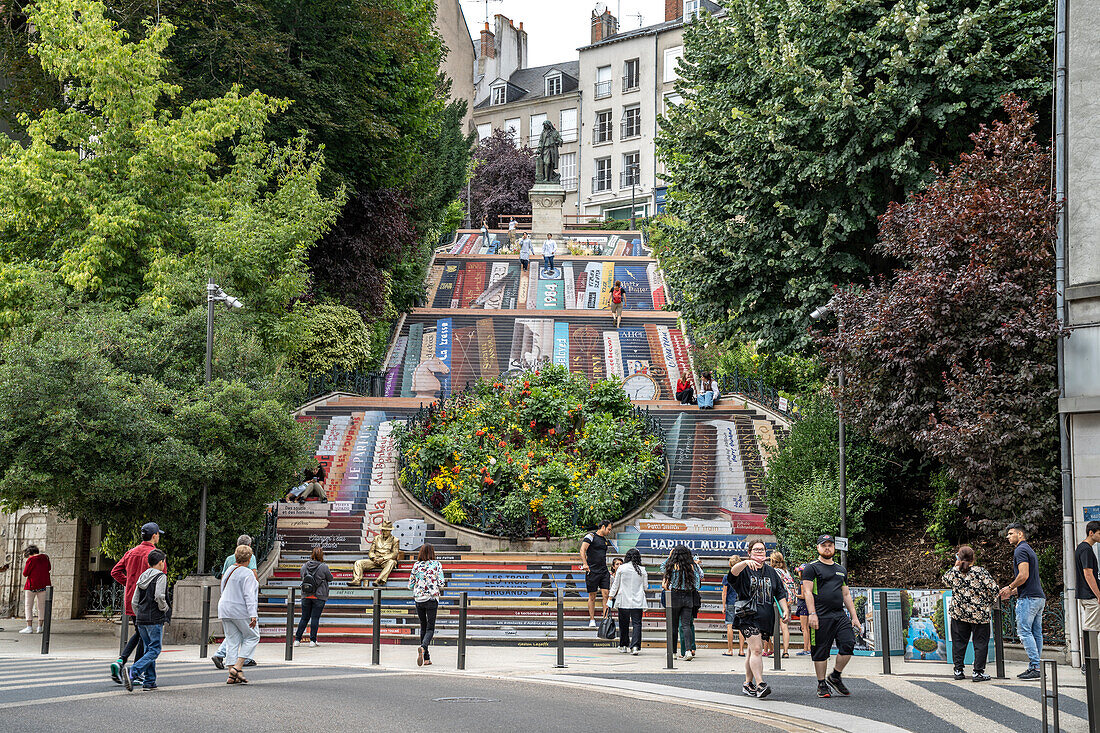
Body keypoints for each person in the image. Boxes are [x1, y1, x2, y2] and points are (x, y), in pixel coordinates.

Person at [801, 534, 862, 698]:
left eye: (830, 545)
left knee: (848, 644)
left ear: (834, 547)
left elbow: (846, 594)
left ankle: (835, 676)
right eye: (824, 545)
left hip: (839, 614)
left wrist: (854, 617)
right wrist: (812, 613)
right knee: (821, 650)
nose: (827, 548)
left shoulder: (841, 570)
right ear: (818, 548)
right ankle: (821, 683)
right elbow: (807, 592)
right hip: (820, 614)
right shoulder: (811, 568)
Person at [729, 541, 790, 699]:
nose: (759, 552)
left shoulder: (771, 571)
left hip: (765, 617)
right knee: (757, 650)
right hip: (748, 616)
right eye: (755, 550)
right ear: (749, 552)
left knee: (751, 651)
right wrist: (743, 563)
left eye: (761, 550)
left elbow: (779, 592)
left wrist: (785, 609)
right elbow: (732, 575)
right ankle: (760, 684)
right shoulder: (744, 570)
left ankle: (747, 683)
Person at [109, 522, 164, 685]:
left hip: (132, 599)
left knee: (140, 633)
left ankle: (122, 662)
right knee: (145, 637)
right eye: (158, 534)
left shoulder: (131, 552)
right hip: (149, 602)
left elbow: (115, 571)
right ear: (154, 536)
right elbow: (161, 578)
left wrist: (129, 583)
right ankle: (135, 670)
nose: (159, 536)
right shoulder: (156, 556)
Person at [942, 545, 999, 682]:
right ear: (974, 558)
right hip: (979, 614)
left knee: (958, 642)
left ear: (958, 557)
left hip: (959, 613)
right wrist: (987, 603)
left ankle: (958, 670)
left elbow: (945, 580)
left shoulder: (954, 572)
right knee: (980, 643)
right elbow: (994, 590)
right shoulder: (981, 572)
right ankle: (978, 672)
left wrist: (957, 564)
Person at [1001, 523, 1045, 679]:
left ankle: (1036, 668)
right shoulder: (1029, 549)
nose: (1008, 536)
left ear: (1020, 534)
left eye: (1011, 533)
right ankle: (1035, 666)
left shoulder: (1020, 550)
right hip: (1038, 597)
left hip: (1028, 599)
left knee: (1024, 632)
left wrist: (1009, 587)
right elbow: (1028, 579)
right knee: (1036, 633)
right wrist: (1013, 592)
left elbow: (1023, 575)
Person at [123, 549, 170, 691]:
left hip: (141, 619)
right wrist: (165, 608)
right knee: (155, 649)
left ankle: (149, 681)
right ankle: (133, 672)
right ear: (161, 562)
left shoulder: (142, 576)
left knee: (148, 650)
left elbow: (134, 601)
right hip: (154, 618)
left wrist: (139, 614)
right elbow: (159, 596)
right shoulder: (161, 576)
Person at [213, 535, 259, 668]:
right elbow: (249, 596)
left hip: (225, 607)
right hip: (239, 609)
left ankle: (231, 671)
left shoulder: (229, 569)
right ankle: (238, 666)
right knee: (252, 636)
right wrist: (253, 615)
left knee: (232, 640)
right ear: (250, 559)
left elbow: (223, 586)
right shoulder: (248, 573)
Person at [661, 545, 703, 660]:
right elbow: (698, 584)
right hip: (688, 596)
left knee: (673, 626)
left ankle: (673, 652)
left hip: (674, 595)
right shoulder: (692, 566)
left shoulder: (672, 566)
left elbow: (661, 568)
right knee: (686, 625)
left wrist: (669, 557)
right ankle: (688, 651)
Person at [408, 542, 446, 666]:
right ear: (432, 552)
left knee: (423, 627)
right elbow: (441, 583)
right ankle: (423, 647)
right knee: (430, 628)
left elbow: (410, 585)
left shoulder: (416, 565)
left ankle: (426, 658)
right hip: (431, 598)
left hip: (419, 599)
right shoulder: (437, 564)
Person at [609, 548, 648, 655]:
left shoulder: (621, 568)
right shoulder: (642, 569)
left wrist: (610, 597)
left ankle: (623, 645)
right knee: (637, 624)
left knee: (623, 624)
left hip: (623, 600)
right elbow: (645, 586)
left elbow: (615, 585)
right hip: (638, 600)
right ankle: (635, 646)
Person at [295, 546, 334, 647]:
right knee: (315, 618)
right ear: (321, 555)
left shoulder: (304, 566)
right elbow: (330, 578)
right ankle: (312, 641)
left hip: (306, 595)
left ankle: (297, 640)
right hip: (319, 596)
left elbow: (302, 578)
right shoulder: (324, 567)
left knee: (304, 618)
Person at [580, 520, 614, 627]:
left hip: (603, 571)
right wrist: (585, 564)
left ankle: (605, 620)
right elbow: (582, 550)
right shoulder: (591, 536)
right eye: (608, 529)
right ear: (603, 527)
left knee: (606, 595)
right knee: (592, 596)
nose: (609, 531)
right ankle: (592, 619)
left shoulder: (604, 540)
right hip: (592, 571)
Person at [1077, 521, 1100, 673]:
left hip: (1088, 596)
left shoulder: (1083, 548)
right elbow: (1088, 574)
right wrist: (1099, 595)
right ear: (1091, 533)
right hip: (1091, 596)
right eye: (1099, 533)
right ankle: (1089, 665)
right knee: (1091, 631)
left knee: (1092, 630)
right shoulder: (1086, 549)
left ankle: (1089, 664)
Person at [349, 521, 401, 587]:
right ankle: (357, 580)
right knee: (358, 562)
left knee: (392, 562)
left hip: (386, 560)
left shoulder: (395, 540)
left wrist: (382, 559)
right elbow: (371, 551)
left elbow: (394, 554)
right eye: (383, 530)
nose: (384, 532)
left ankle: (379, 580)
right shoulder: (376, 538)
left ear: (390, 531)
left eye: (386, 530)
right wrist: (374, 558)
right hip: (375, 560)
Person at [771, 551, 798, 658]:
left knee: (775, 627)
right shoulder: (786, 571)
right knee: (785, 627)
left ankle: (776, 650)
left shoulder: (774, 571)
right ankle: (785, 651)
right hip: (788, 601)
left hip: (777, 601)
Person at [19, 545, 50, 635]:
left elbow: (25, 573)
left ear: (29, 553)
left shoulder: (31, 560)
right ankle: (40, 627)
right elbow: (49, 568)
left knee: (28, 606)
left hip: (31, 586)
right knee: (41, 607)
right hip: (44, 586)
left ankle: (29, 627)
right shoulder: (45, 558)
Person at [722, 555, 746, 657]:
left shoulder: (727, 577)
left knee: (729, 625)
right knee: (741, 627)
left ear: (730, 564)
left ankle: (730, 650)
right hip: (741, 602)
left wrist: (723, 606)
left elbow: (724, 592)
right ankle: (741, 650)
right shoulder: (744, 576)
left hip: (731, 602)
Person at [794, 562, 812, 655]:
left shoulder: (802, 582)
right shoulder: (809, 581)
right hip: (808, 605)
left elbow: (803, 596)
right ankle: (808, 647)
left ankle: (805, 648)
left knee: (804, 628)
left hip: (803, 605)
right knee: (807, 628)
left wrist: (795, 595)